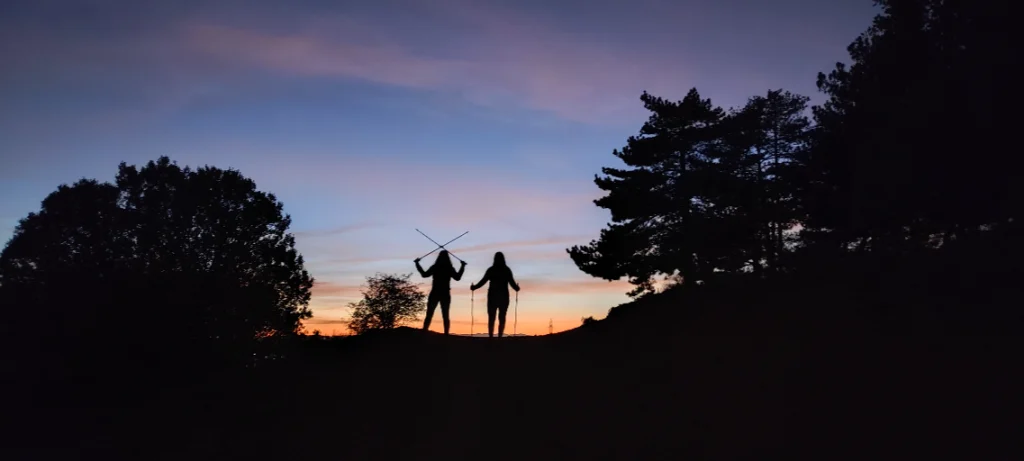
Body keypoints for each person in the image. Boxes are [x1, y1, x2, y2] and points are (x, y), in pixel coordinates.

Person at [470, 252, 520, 338]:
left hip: (492, 296)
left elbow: (483, 281)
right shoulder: (506, 270)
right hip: (504, 296)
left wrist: (474, 287)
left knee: (491, 316)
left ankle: (491, 336)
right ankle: (500, 336)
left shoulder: (491, 270)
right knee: (502, 316)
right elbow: (512, 283)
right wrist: (517, 288)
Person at [414, 250, 465, 335]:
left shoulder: (435, 267)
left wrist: (417, 264)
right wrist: (462, 266)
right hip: (445, 293)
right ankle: (446, 334)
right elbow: (458, 277)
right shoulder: (449, 268)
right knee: (445, 314)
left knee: (429, 313)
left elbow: (424, 274)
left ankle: (424, 330)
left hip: (435, 292)